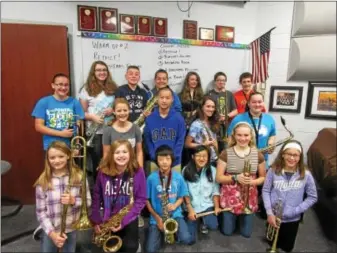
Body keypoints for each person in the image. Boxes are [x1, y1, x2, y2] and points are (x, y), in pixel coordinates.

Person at [34, 141, 91, 252]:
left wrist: (74, 200)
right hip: (51, 229)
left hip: (71, 228)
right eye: (52, 157)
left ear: (68, 156)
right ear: (48, 159)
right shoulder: (43, 182)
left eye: (61, 156)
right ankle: (43, 235)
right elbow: (40, 212)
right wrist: (52, 234)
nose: (57, 160)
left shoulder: (79, 176)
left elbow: (88, 202)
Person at [91, 139, 146, 253]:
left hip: (129, 216)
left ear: (131, 153)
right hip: (108, 219)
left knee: (130, 247)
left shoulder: (138, 171)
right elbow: (97, 195)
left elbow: (141, 199)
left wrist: (124, 221)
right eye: (117, 152)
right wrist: (96, 219)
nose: (121, 155)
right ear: (112, 155)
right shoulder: (103, 172)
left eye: (124, 152)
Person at [262, 140, 318, 253]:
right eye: (289, 154)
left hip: (293, 218)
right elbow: (266, 190)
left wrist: (296, 210)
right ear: (283, 154)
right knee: (272, 242)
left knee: (287, 247)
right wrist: (269, 212)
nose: (292, 158)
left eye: (295, 155)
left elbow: (312, 197)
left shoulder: (305, 174)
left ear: (300, 157)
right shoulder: (273, 170)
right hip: (273, 216)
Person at [216, 122, 266, 238]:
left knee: (246, 233)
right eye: (239, 135)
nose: (243, 138)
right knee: (227, 232)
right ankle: (232, 217)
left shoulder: (258, 155)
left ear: (251, 136)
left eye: (246, 135)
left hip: (249, 196)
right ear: (234, 136)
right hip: (230, 197)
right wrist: (235, 177)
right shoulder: (226, 153)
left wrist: (252, 182)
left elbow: (263, 177)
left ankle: (241, 217)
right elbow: (218, 178)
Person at [146, 145, 194, 253]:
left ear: (172, 160)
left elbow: (182, 196)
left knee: (187, 240)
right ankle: (164, 232)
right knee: (150, 250)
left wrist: (175, 205)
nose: (164, 162)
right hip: (157, 216)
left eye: (167, 159)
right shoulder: (151, 178)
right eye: (161, 159)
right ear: (156, 161)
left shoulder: (178, 177)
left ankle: (178, 230)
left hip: (175, 214)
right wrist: (157, 218)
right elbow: (146, 200)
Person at [79, 61, 117, 182]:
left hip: (111, 130)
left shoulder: (113, 87)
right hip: (95, 133)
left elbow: (119, 107)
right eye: (98, 70)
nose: (102, 72)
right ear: (93, 72)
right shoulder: (86, 89)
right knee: (98, 164)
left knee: (112, 162)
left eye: (104, 70)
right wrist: (93, 117)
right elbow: (81, 113)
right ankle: (98, 191)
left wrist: (113, 109)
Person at [32, 73, 84, 151]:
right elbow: (38, 127)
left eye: (66, 85)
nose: (63, 87)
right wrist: (61, 134)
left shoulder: (74, 102)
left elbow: (79, 126)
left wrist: (77, 145)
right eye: (60, 84)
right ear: (53, 85)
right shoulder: (43, 102)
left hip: (70, 145)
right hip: (51, 146)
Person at [182, 145, 221, 242]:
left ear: (208, 158)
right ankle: (196, 220)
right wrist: (190, 210)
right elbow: (184, 192)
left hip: (207, 206)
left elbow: (216, 190)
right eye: (198, 155)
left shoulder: (213, 170)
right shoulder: (186, 170)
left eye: (204, 156)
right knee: (189, 239)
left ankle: (203, 221)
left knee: (213, 226)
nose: (201, 158)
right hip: (192, 207)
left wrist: (216, 206)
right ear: (193, 157)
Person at [144, 87, 186, 173]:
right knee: (156, 185)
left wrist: (174, 157)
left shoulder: (179, 118)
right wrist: (153, 155)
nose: (164, 100)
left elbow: (180, 139)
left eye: (167, 98)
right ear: (157, 99)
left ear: (172, 99)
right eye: (161, 97)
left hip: (175, 162)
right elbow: (147, 139)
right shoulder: (150, 118)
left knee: (174, 185)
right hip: (155, 161)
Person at [102, 98, 143, 167]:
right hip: (114, 168)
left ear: (129, 111)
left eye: (125, 110)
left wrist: (140, 171)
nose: (122, 113)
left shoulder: (136, 128)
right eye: (119, 111)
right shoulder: (108, 130)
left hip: (132, 167)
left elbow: (139, 152)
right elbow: (106, 154)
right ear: (114, 112)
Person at [185, 96, 220, 166]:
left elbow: (215, 141)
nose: (211, 109)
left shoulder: (213, 122)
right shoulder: (196, 124)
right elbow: (187, 144)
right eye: (208, 106)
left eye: (213, 107)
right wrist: (203, 144)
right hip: (202, 161)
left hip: (214, 160)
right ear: (202, 107)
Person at [208, 71, 238, 152]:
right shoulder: (209, 94)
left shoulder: (229, 94)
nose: (221, 82)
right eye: (219, 80)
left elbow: (235, 111)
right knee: (213, 151)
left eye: (223, 80)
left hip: (226, 128)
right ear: (215, 82)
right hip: (213, 126)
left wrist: (226, 116)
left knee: (225, 151)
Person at [179, 71, 204, 167]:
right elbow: (178, 111)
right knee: (186, 151)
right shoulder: (180, 95)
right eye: (192, 79)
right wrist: (190, 113)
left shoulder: (202, 95)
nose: (194, 81)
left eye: (196, 80)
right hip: (185, 126)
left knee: (198, 150)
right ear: (187, 81)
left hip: (198, 127)